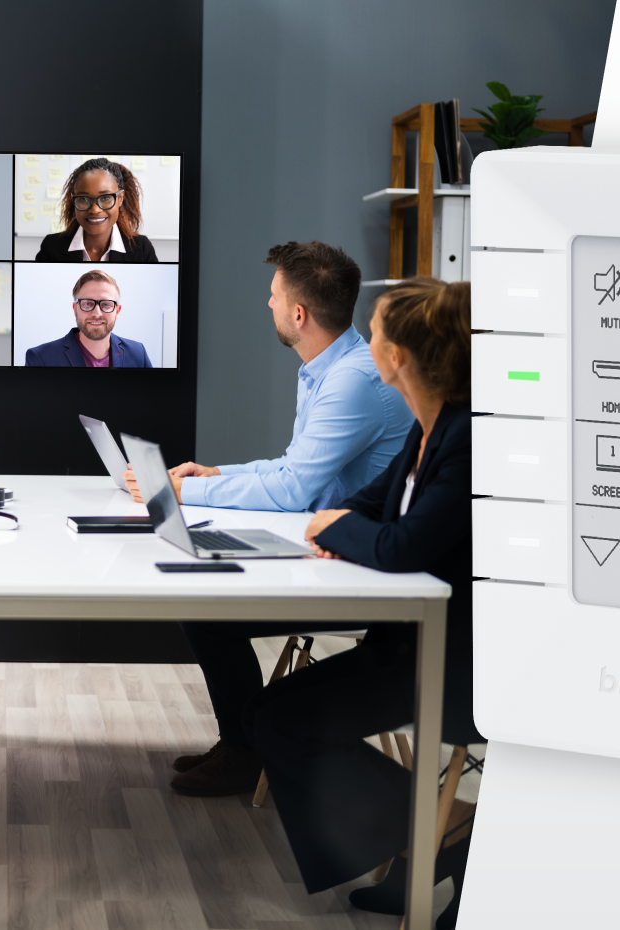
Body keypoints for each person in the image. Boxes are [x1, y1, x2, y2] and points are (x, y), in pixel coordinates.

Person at [174, 278, 478, 919]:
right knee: (271, 715)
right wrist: (341, 522)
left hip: (456, 667)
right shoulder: (430, 431)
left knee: (284, 723)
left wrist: (333, 527)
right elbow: (373, 507)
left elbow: (402, 545)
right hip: (405, 642)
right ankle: (434, 836)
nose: (366, 341)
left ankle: (443, 831)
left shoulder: (464, 440)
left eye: (375, 332)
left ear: (397, 358)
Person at [125, 240, 411, 510]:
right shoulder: (323, 369)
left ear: (299, 315)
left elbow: (292, 489)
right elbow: (292, 466)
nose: (270, 304)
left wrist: (178, 491)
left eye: (275, 296)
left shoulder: (352, 380)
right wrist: (213, 475)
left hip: (348, 553)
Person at [33, 157, 162, 263]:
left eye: (105, 198)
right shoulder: (51, 247)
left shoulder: (142, 249)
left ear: (120, 199)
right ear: (74, 200)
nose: (95, 210)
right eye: (83, 199)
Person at [23, 269, 153, 367]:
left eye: (106, 304)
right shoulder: (41, 358)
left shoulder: (138, 353)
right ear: (75, 309)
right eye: (87, 304)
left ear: (117, 311)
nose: (96, 313)